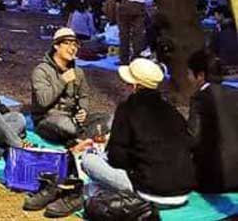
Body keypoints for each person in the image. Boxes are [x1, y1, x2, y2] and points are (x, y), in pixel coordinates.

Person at [79, 58, 194, 207]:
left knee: (89, 160)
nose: (124, 86)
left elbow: (116, 158)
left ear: (134, 86)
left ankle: (98, 191)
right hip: (183, 193)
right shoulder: (172, 111)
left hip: (149, 192)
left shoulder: (127, 108)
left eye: (126, 82)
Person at [31, 28, 104, 144]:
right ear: (56, 46)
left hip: (72, 118)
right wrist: (62, 80)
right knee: (66, 127)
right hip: (49, 119)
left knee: (109, 120)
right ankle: (84, 138)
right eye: (67, 44)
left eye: (75, 44)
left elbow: (84, 95)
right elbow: (43, 101)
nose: (72, 48)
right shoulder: (41, 71)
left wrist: (83, 110)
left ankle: (80, 138)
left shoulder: (77, 72)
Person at [187, 50, 238, 193]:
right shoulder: (235, 94)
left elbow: (193, 137)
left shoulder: (200, 98)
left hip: (214, 178)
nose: (188, 78)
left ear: (200, 76)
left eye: (189, 73)